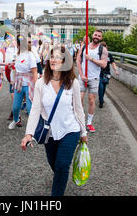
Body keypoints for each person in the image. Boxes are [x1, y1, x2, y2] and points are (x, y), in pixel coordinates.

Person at [21, 44, 87, 196]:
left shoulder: (73, 83)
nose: (53, 60)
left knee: (63, 165)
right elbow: (35, 109)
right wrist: (28, 134)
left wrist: (83, 132)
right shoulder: (41, 83)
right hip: (49, 133)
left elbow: (78, 109)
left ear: (65, 61)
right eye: (52, 56)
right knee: (55, 164)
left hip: (70, 130)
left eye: (58, 57)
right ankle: (60, 177)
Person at [76, 30, 108, 133]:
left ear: (101, 38)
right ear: (92, 35)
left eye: (99, 36)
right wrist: (81, 75)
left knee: (91, 99)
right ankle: (80, 119)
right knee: (79, 98)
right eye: (95, 35)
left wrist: (91, 59)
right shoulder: (84, 47)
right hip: (83, 77)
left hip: (94, 78)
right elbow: (78, 61)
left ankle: (89, 123)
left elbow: (104, 64)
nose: (97, 37)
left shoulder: (103, 49)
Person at [8, 35, 38, 130]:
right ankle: (16, 120)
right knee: (15, 107)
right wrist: (11, 67)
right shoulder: (17, 54)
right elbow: (16, 68)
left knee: (30, 109)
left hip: (29, 83)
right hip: (19, 82)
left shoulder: (30, 55)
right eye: (20, 43)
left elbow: (34, 71)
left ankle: (34, 127)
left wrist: (36, 85)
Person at [98, 42, 119, 109]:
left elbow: (113, 63)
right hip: (99, 73)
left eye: (105, 47)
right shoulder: (98, 55)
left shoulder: (109, 55)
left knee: (104, 87)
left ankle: (101, 98)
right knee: (100, 87)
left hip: (107, 73)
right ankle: (101, 101)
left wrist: (116, 70)